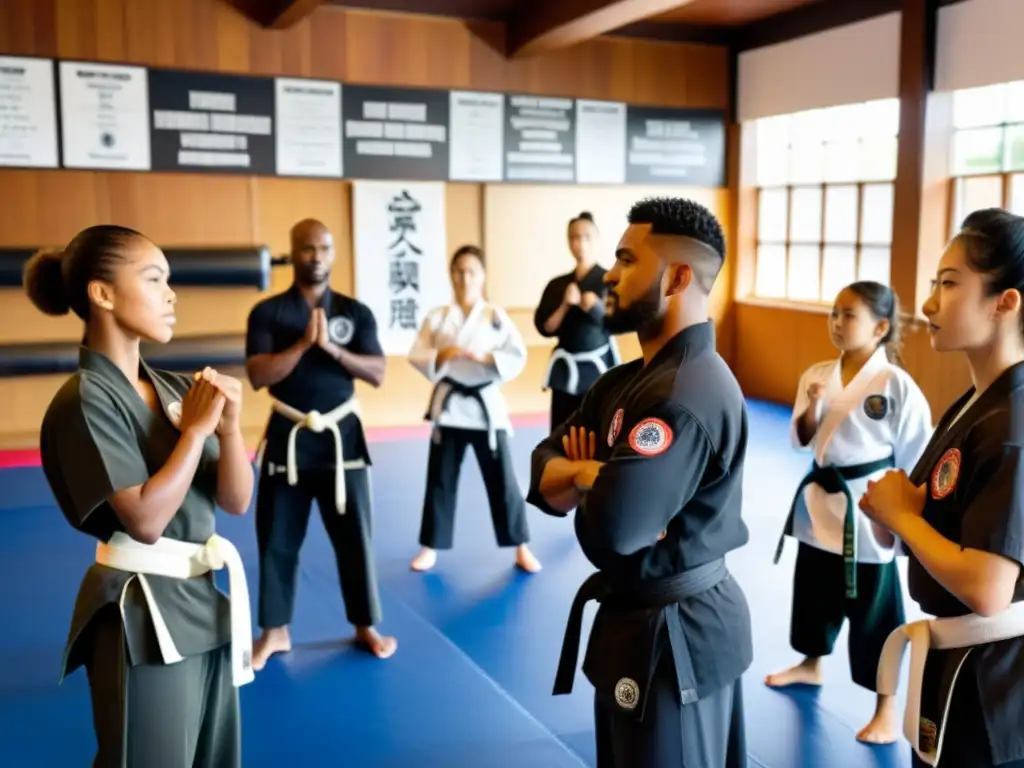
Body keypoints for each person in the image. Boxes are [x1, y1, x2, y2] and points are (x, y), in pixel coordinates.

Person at [527, 197, 750, 767]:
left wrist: (594, 485)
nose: (608, 274)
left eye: (626, 260)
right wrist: (585, 472)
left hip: (676, 643)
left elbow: (611, 530)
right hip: (635, 625)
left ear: (677, 278)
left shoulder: (684, 394)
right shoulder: (624, 383)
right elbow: (543, 469)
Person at [24, 225, 256, 767]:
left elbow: (236, 502)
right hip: (138, 612)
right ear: (102, 294)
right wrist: (197, 433)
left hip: (204, 602)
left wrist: (229, 430)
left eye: (169, 280)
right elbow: (145, 520)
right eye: (154, 279)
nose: (171, 294)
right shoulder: (83, 401)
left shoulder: (176, 387)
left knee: (213, 759)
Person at [863, 208, 1024, 768]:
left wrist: (902, 519)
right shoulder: (976, 403)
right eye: (934, 283)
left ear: (1006, 302)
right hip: (956, 662)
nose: (928, 303)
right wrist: (895, 518)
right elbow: (924, 525)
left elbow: (988, 587)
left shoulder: (1012, 424)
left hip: (996, 685)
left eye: (949, 284)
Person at [765, 281, 933, 743]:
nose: (837, 323)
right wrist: (815, 403)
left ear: (880, 328)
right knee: (814, 591)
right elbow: (801, 437)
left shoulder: (896, 384)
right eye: (833, 314)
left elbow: (917, 455)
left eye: (849, 315)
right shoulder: (816, 374)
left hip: (868, 508)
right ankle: (810, 664)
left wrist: (905, 518)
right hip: (822, 501)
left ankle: (886, 705)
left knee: (875, 612)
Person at [245, 218, 396, 669]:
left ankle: (365, 624)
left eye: (324, 248)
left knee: (355, 538)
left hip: (342, 438)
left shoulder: (354, 312)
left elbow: (377, 373)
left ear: (333, 253)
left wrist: (331, 348)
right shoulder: (268, 313)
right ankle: (275, 632)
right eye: (307, 248)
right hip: (288, 437)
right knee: (276, 538)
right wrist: (303, 345)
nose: (316, 256)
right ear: (294, 253)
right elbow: (257, 376)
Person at [407, 245, 541, 574]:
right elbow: (417, 353)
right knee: (440, 479)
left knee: (504, 480)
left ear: (482, 277)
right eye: (459, 271)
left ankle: (520, 546)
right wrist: (444, 355)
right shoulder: (438, 317)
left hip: (486, 409)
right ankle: (430, 546)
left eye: (471, 271)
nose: (465, 278)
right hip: (450, 407)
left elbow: (517, 354)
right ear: (451, 275)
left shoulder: (494, 316)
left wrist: (488, 359)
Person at [534, 212, 621, 431]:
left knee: (597, 432)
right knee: (561, 432)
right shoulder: (557, 284)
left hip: (598, 372)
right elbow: (545, 328)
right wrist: (565, 304)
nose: (580, 243)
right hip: (565, 372)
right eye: (574, 237)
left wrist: (596, 309)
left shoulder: (611, 280)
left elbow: (620, 323)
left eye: (586, 237)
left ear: (597, 240)